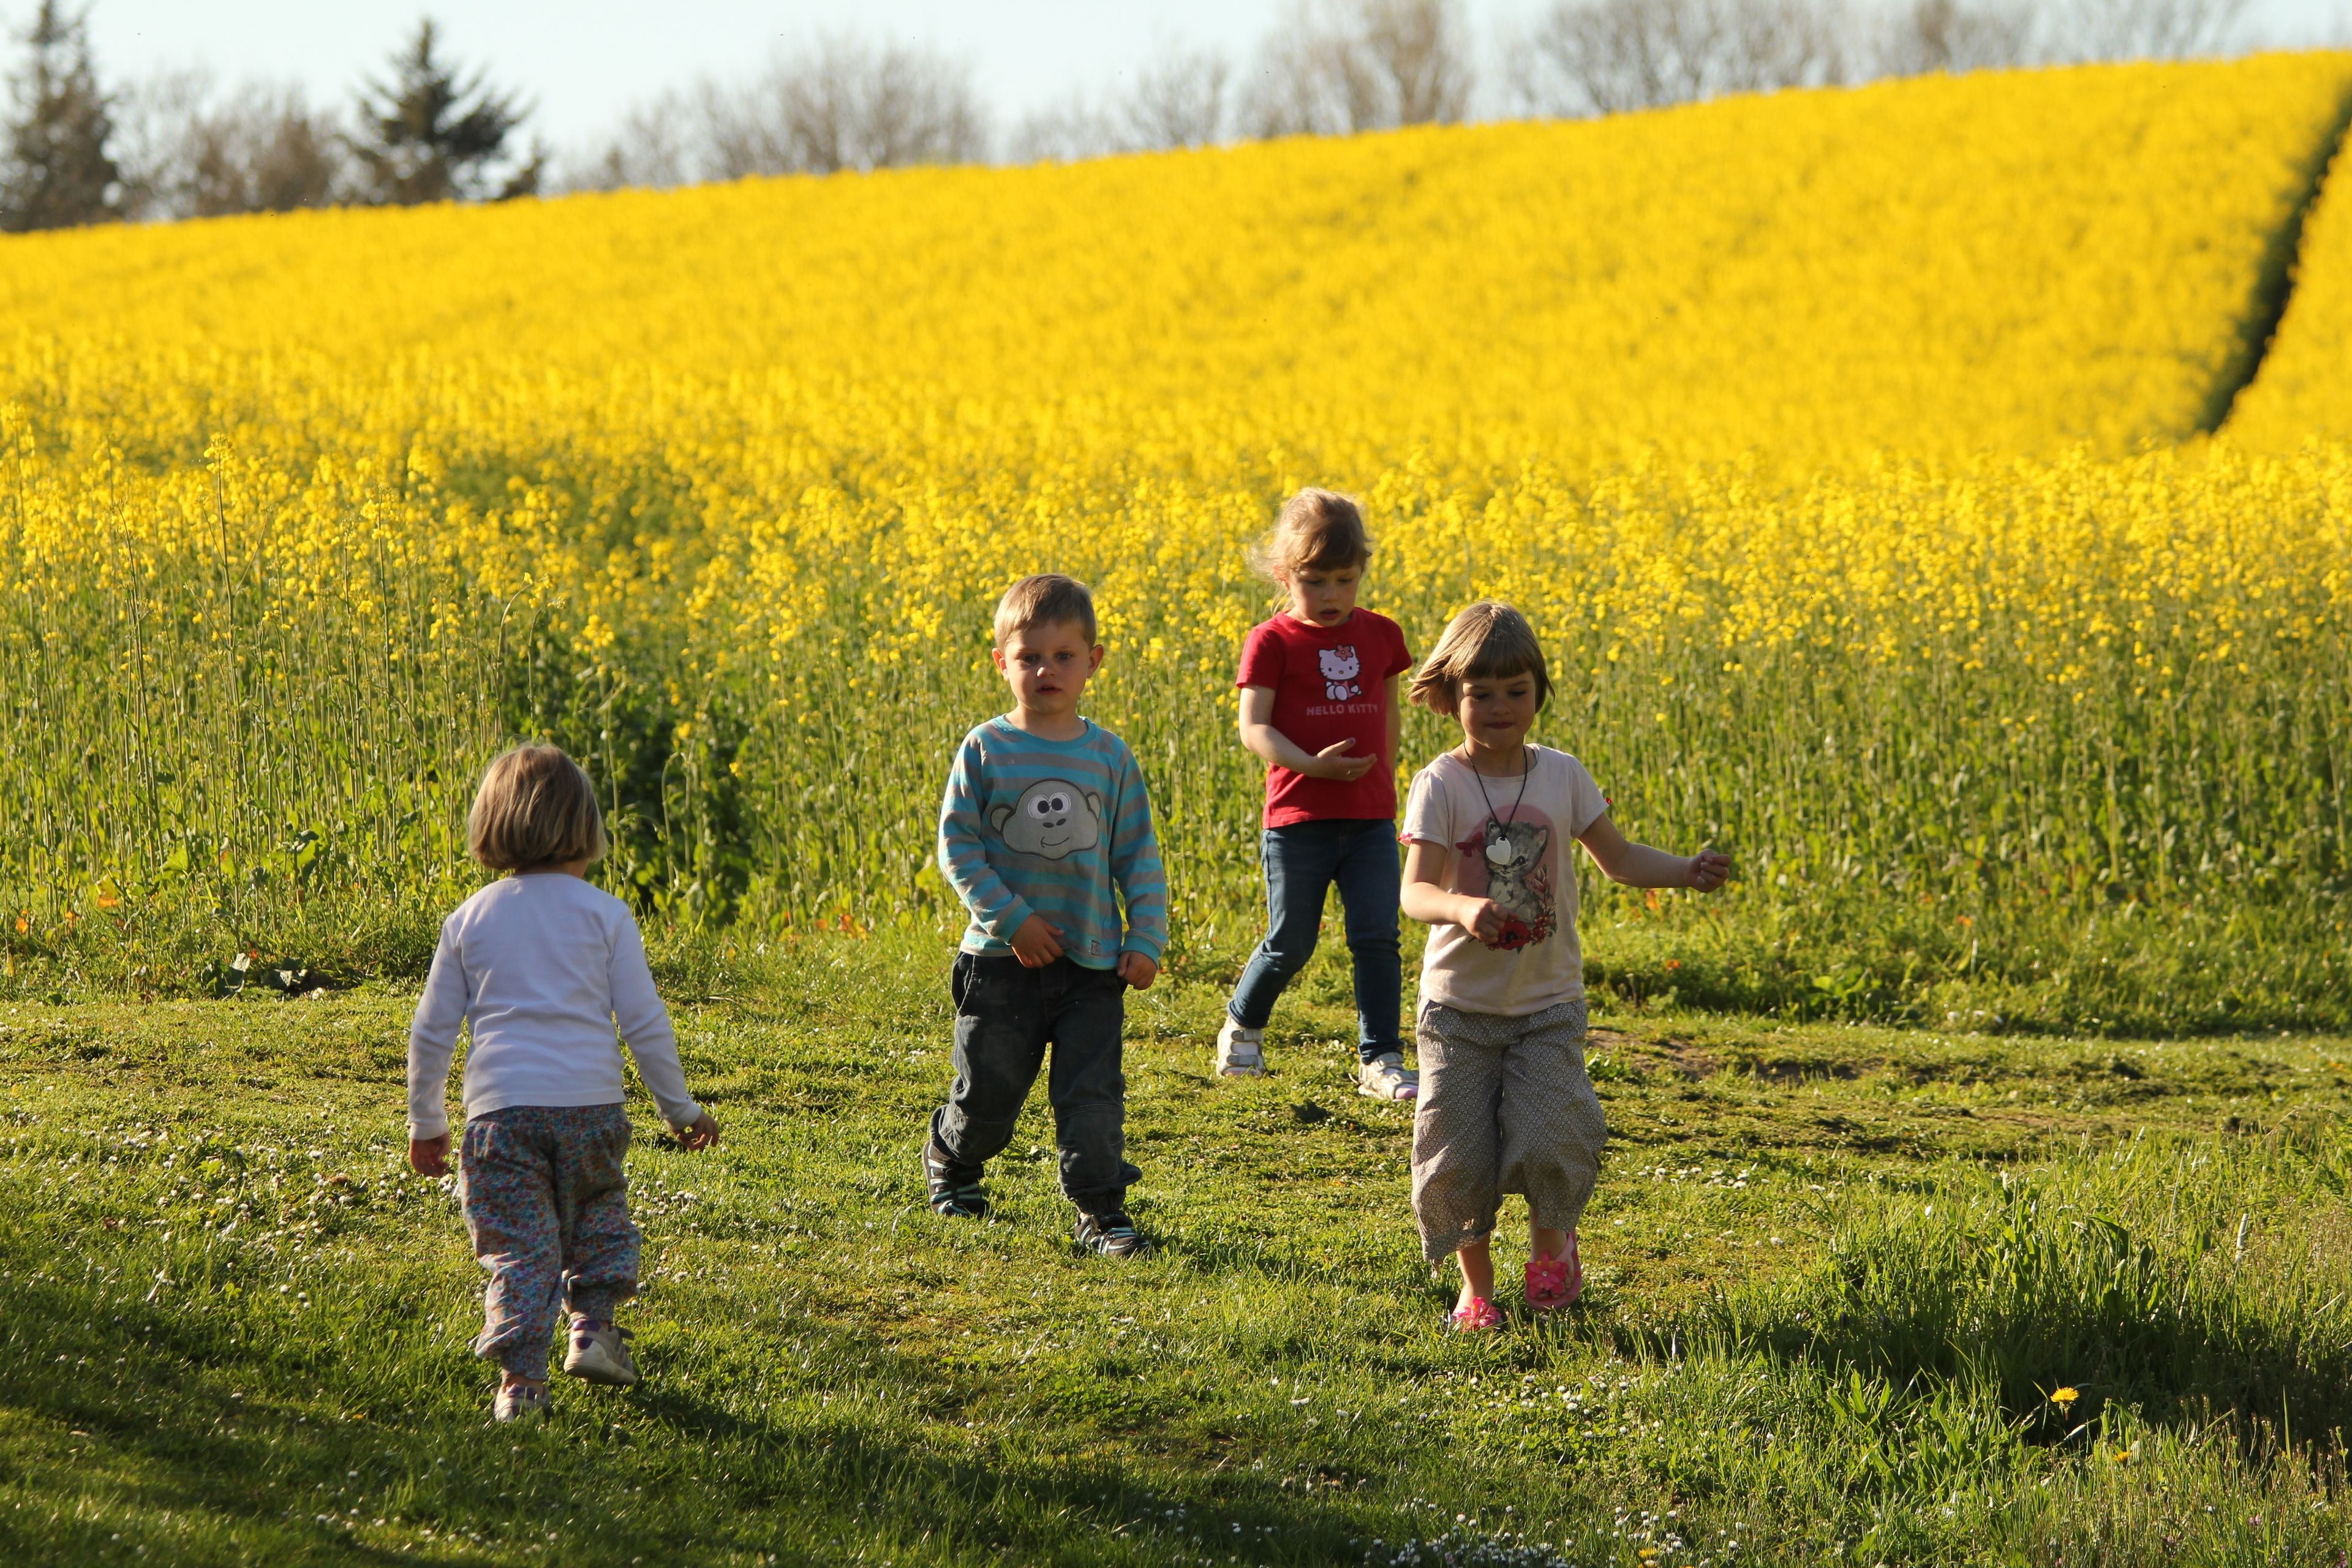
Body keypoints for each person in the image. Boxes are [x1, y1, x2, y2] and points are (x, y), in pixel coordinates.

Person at [1398, 603, 1730, 1331]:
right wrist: (1460, 909)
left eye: (1516, 690)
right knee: (1458, 1155)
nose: (1498, 708)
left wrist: (1685, 870)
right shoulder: (1441, 783)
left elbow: (1618, 858)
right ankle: (1475, 1289)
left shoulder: (1564, 776)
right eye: (1480, 693)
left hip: (1547, 1003)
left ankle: (1552, 1253)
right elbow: (1415, 889)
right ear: (1451, 695)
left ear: (1540, 693)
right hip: (1458, 1008)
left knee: (1553, 1133)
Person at [407, 744, 720, 1422]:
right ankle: (594, 1326)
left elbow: (431, 1031)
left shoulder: (470, 920)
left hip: (501, 1117)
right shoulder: (605, 916)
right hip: (590, 1109)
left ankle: (522, 1384)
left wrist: (425, 1122)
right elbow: (644, 1024)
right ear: (586, 829)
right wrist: (680, 1107)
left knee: (521, 1246)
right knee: (599, 1209)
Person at [924, 573, 1169, 1258]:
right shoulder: (985, 748)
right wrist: (1011, 919)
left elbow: (1138, 855)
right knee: (989, 1098)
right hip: (1001, 965)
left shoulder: (1110, 756)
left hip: (1092, 962)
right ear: (1001, 662)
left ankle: (1101, 1210)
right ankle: (952, 1155)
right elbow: (959, 847)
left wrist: (1146, 936)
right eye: (1029, 655)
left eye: (1064, 655)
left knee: (1092, 1098)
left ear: (1094, 661)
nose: (1046, 669)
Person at [1217, 488, 1418, 1099]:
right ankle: (1243, 1026)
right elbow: (1254, 727)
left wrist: (1389, 783)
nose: (1330, 594)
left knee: (1378, 936)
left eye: (1343, 579)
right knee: (1292, 940)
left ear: (1362, 572)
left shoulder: (1383, 635)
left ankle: (1380, 1058)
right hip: (1299, 817)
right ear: (1284, 574)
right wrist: (1311, 766)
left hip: (1368, 821)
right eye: (1314, 581)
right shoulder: (1271, 641)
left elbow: (1389, 715)